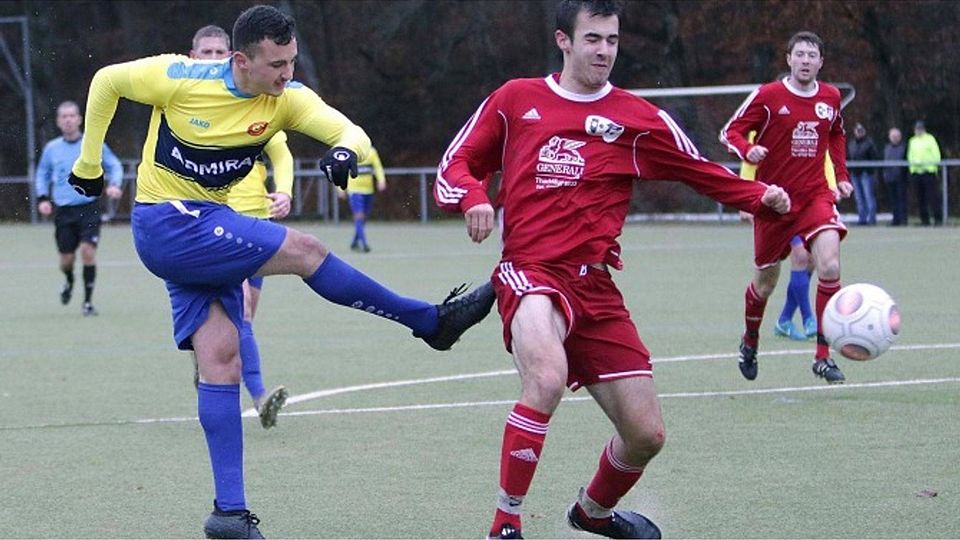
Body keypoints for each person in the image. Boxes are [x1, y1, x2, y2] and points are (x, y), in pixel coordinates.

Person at [67, 6, 495, 538]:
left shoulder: (285, 99)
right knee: (307, 249)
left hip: (207, 227)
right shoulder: (179, 77)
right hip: (167, 223)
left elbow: (350, 131)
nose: (287, 75)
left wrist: (343, 150)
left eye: (292, 62)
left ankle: (229, 514)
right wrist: (88, 164)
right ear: (241, 61)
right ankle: (430, 322)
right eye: (276, 65)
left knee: (221, 358)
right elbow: (106, 80)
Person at [436, 2, 791, 538]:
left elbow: (697, 169)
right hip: (530, 270)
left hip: (597, 287)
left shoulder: (638, 118)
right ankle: (505, 523)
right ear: (564, 41)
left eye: (612, 40)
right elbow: (455, 163)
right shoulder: (516, 100)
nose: (604, 51)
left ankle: (592, 513)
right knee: (547, 378)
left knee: (646, 434)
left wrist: (760, 194)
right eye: (593, 39)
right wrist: (471, 197)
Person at [720, 30, 854, 384]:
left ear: (821, 62)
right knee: (764, 285)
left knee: (829, 264)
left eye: (812, 55)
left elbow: (836, 133)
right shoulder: (768, 96)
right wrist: (748, 151)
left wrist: (840, 175)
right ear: (789, 59)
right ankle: (750, 341)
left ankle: (822, 356)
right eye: (800, 54)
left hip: (814, 197)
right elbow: (730, 132)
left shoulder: (830, 97)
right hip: (774, 202)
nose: (806, 60)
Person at [190, 24, 289, 430]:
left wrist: (283, 190)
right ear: (192, 57)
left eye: (220, 52)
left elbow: (280, 153)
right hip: (212, 224)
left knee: (240, 323)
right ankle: (259, 396)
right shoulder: (181, 101)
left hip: (257, 222)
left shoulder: (253, 103)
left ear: (234, 58)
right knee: (242, 313)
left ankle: (208, 364)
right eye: (206, 52)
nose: (213, 59)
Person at [35, 100, 124, 317]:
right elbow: (42, 174)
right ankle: (68, 280)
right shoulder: (51, 149)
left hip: (89, 208)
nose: (68, 120)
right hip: (64, 211)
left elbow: (114, 165)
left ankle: (87, 303)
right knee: (66, 260)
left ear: (79, 119)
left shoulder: (92, 144)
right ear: (58, 121)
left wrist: (114, 184)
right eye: (63, 116)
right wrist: (43, 197)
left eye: (72, 116)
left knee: (88, 251)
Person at [337, 145, 387, 252]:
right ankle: (364, 243)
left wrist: (381, 180)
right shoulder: (347, 153)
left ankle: (355, 242)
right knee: (359, 216)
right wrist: (341, 189)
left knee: (364, 217)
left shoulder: (371, 151)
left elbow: (377, 167)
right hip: (354, 191)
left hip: (368, 190)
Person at [907, 120, 942, 226]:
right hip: (917, 172)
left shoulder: (930, 139)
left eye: (920, 129)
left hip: (929, 172)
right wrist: (912, 168)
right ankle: (924, 220)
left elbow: (936, 154)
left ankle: (937, 219)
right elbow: (910, 155)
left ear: (923, 129)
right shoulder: (912, 141)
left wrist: (933, 165)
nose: (918, 131)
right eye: (916, 129)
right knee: (920, 197)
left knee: (932, 197)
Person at [847, 122, 878, 225]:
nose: (859, 133)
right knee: (859, 198)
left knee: (868, 196)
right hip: (855, 174)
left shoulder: (869, 143)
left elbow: (874, 157)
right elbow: (849, 157)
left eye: (861, 131)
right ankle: (862, 218)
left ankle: (871, 219)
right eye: (857, 131)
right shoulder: (852, 144)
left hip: (866, 173)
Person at [881, 127, 909, 226]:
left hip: (901, 178)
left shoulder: (904, 147)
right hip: (890, 178)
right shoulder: (887, 148)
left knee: (902, 199)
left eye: (897, 136)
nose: (895, 138)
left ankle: (903, 220)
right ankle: (896, 220)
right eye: (893, 136)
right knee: (893, 200)